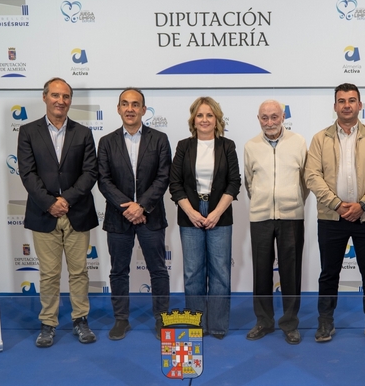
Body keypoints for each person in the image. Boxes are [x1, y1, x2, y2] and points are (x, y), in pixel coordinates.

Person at [305, 83, 365, 345]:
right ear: (335, 106)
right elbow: (312, 176)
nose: (346, 105)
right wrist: (337, 204)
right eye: (341, 101)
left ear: (359, 105)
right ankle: (325, 322)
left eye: (351, 100)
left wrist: (362, 205)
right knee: (328, 274)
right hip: (332, 217)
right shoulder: (320, 139)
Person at [17, 77, 99, 348]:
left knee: (79, 271)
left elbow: (90, 172)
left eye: (65, 96)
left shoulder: (83, 133)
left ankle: (80, 320)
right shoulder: (28, 131)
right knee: (49, 274)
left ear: (70, 101)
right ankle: (48, 323)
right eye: (55, 95)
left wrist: (67, 200)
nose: (60, 101)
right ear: (45, 97)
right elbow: (27, 173)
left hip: (78, 212)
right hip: (43, 213)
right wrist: (50, 203)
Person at [97, 88, 171, 341]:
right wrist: (128, 208)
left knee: (158, 270)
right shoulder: (106, 142)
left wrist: (142, 206)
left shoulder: (159, 139)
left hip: (151, 216)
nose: (130, 109)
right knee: (118, 271)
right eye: (125, 104)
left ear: (143, 109)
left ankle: (162, 319)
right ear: (118, 109)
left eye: (135, 104)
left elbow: (163, 177)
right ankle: (121, 320)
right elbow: (104, 180)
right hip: (118, 218)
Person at [169, 97, 241, 339]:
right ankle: (196, 325)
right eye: (200, 115)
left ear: (217, 119)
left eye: (209, 115)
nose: (204, 120)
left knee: (220, 272)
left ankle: (218, 326)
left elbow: (234, 183)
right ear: (193, 119)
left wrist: (216, 213)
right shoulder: (184, 146)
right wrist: (191, 212)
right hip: (189, 211)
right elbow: (175, 184)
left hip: (219, 211)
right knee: (193, 273)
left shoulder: (227, 146)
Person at [243, 100, 309, 345]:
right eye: (264, 117)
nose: (269, 122)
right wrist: (262, 201)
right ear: (258, 119)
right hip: (260, 217)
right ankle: (264, 321)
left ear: (282, 117)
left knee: (291, 272)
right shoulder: (250, 146)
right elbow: (249, 181)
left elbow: (305, 181)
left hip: (291, 216)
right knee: (261, 272)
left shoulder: (299, 142)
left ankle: (290, 324)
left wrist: (292, 200)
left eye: (274, 117)